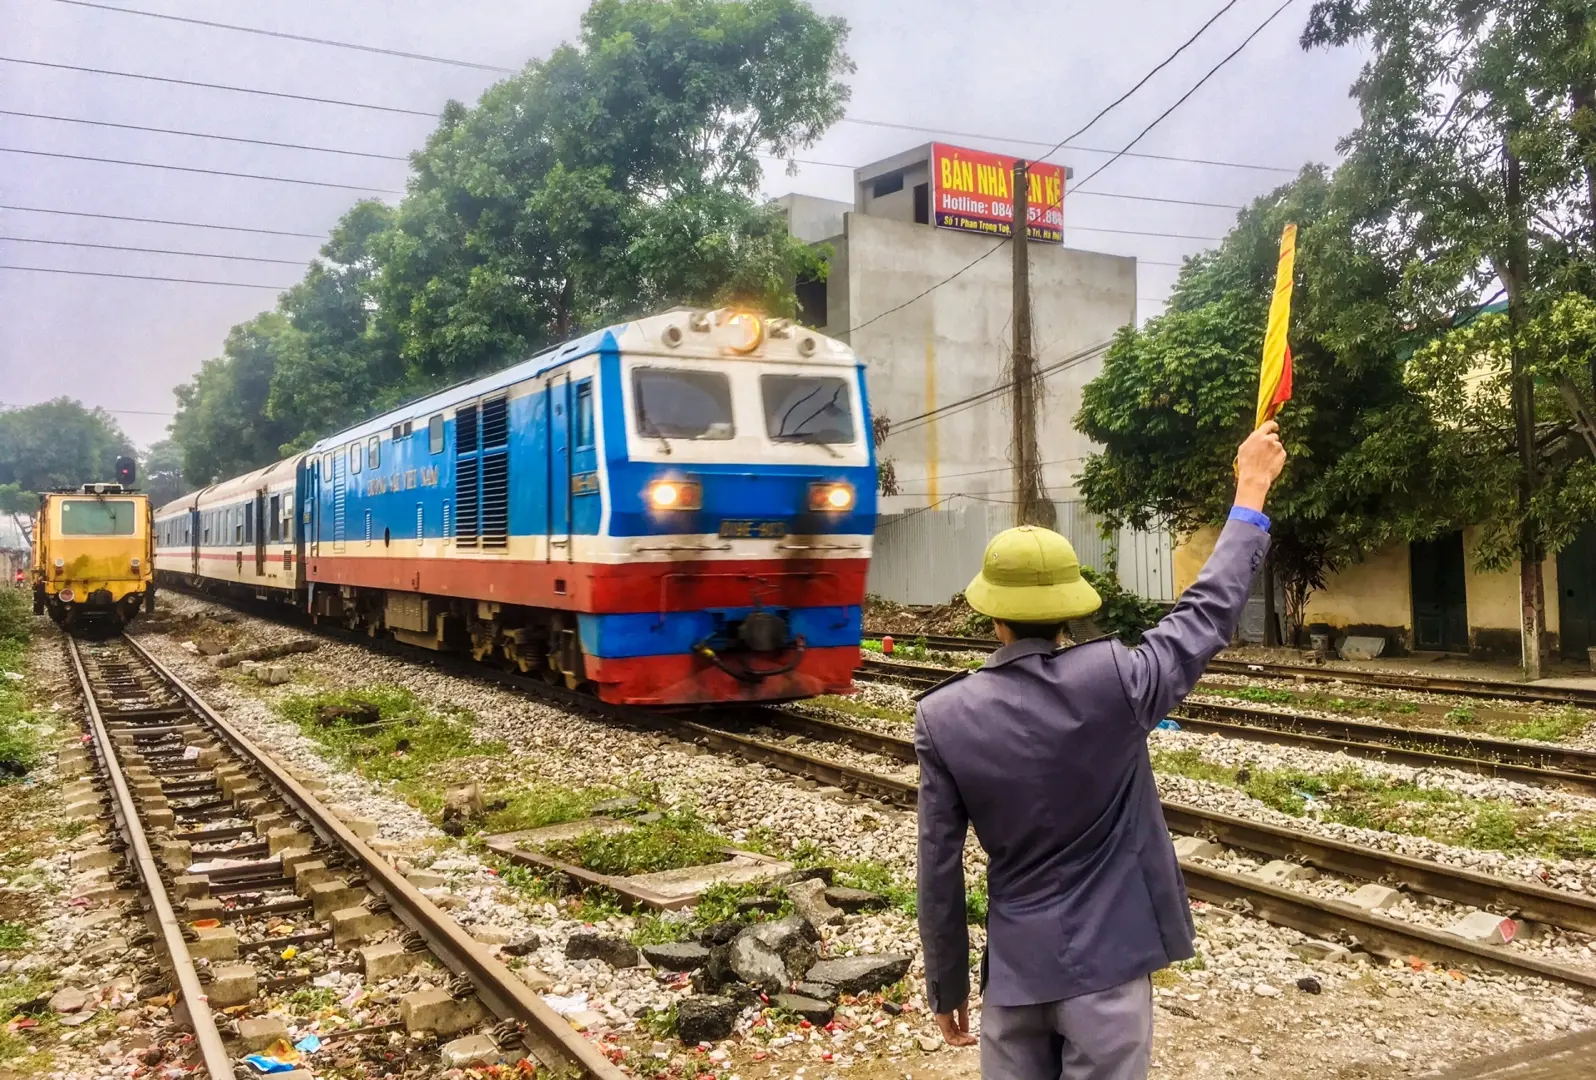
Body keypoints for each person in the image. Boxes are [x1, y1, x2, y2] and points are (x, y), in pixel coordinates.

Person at [914, 421, 1288, 1080]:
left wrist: (948, 986)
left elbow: (939, 872)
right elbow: (1205, 615)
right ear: (1067, 611)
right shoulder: (1117, 680)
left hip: (1015, 982)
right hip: (1111, 970)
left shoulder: (943, 717)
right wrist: (1250, 489)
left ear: (991, 614)